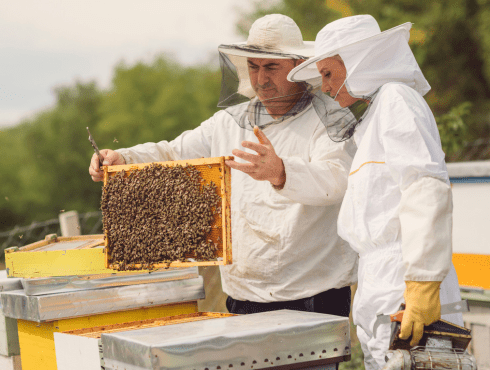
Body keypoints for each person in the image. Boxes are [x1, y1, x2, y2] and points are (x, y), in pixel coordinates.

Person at [89, 14, 358, 318]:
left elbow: (338, 181)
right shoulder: (229, 122)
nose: (260, 79)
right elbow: (174, 152)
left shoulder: (330, 119)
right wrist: (123, 158)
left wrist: (281, 172)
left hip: (312, 295)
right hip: (242, 295)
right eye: (253, 67)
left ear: (297, 66)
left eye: (271, 67)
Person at [287, 15, 464, 370]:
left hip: (403, 275)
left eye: (327, 73)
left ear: (360, 64)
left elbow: (424, 186)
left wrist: (422, 282)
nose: (323, 86)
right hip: (379, 278)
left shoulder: (398, 100)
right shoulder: (374, 117)